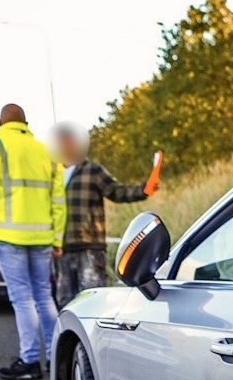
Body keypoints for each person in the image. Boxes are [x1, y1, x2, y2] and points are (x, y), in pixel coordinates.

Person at [0, 104, 65, 380]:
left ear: (0, 121)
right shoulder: (46, 151)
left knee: (22, 298)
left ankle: (29, 361)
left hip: (9, 236)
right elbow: (58, 200)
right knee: (43, 295)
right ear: (26, 122)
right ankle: (54, 356)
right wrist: (57, 237)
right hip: (42, 236)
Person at [51, 123, 155, 306]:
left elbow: (118, 191)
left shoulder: (92, 170)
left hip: (89, 246)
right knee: (65, 300)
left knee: (93, 298)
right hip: (62, 248)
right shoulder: (52, 173)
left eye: (68, 142)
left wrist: (144, 190)